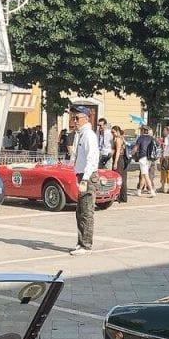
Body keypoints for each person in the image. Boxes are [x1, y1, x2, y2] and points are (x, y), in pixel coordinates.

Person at [70, 107, 99, 256]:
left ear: (86, 119)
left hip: (88, 176)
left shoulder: (89, 135)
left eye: (77, 118)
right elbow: (77, 156)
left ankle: (86, 244)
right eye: (74, 118)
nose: (75, 121)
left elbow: (92, 159)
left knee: (86, 211)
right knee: (80, 211)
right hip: (81, 175)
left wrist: (85, 178)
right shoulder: (80, 134)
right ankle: (81, 241)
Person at [132, 125, 157, 197]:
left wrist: (131, 154)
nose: (140, 131)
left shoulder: (141, 138)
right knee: (143, 174)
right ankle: (139, 191)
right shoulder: (151, 138)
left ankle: (152, 191)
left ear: (143, 130)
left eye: (141, 130)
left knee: (145, 175)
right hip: (149, 158)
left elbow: (135, 148)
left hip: (142, 158)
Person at [111, 125, 128, 203]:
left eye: (113, 132)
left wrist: (115, 163)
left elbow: (118, 151)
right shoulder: (122, 138)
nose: (112, 133)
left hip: (119, 159)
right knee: (123, 178)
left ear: (117, 131)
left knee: (118, 178)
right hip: (123, 160)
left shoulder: (118, 139)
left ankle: (119, 196)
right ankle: (123, 197)